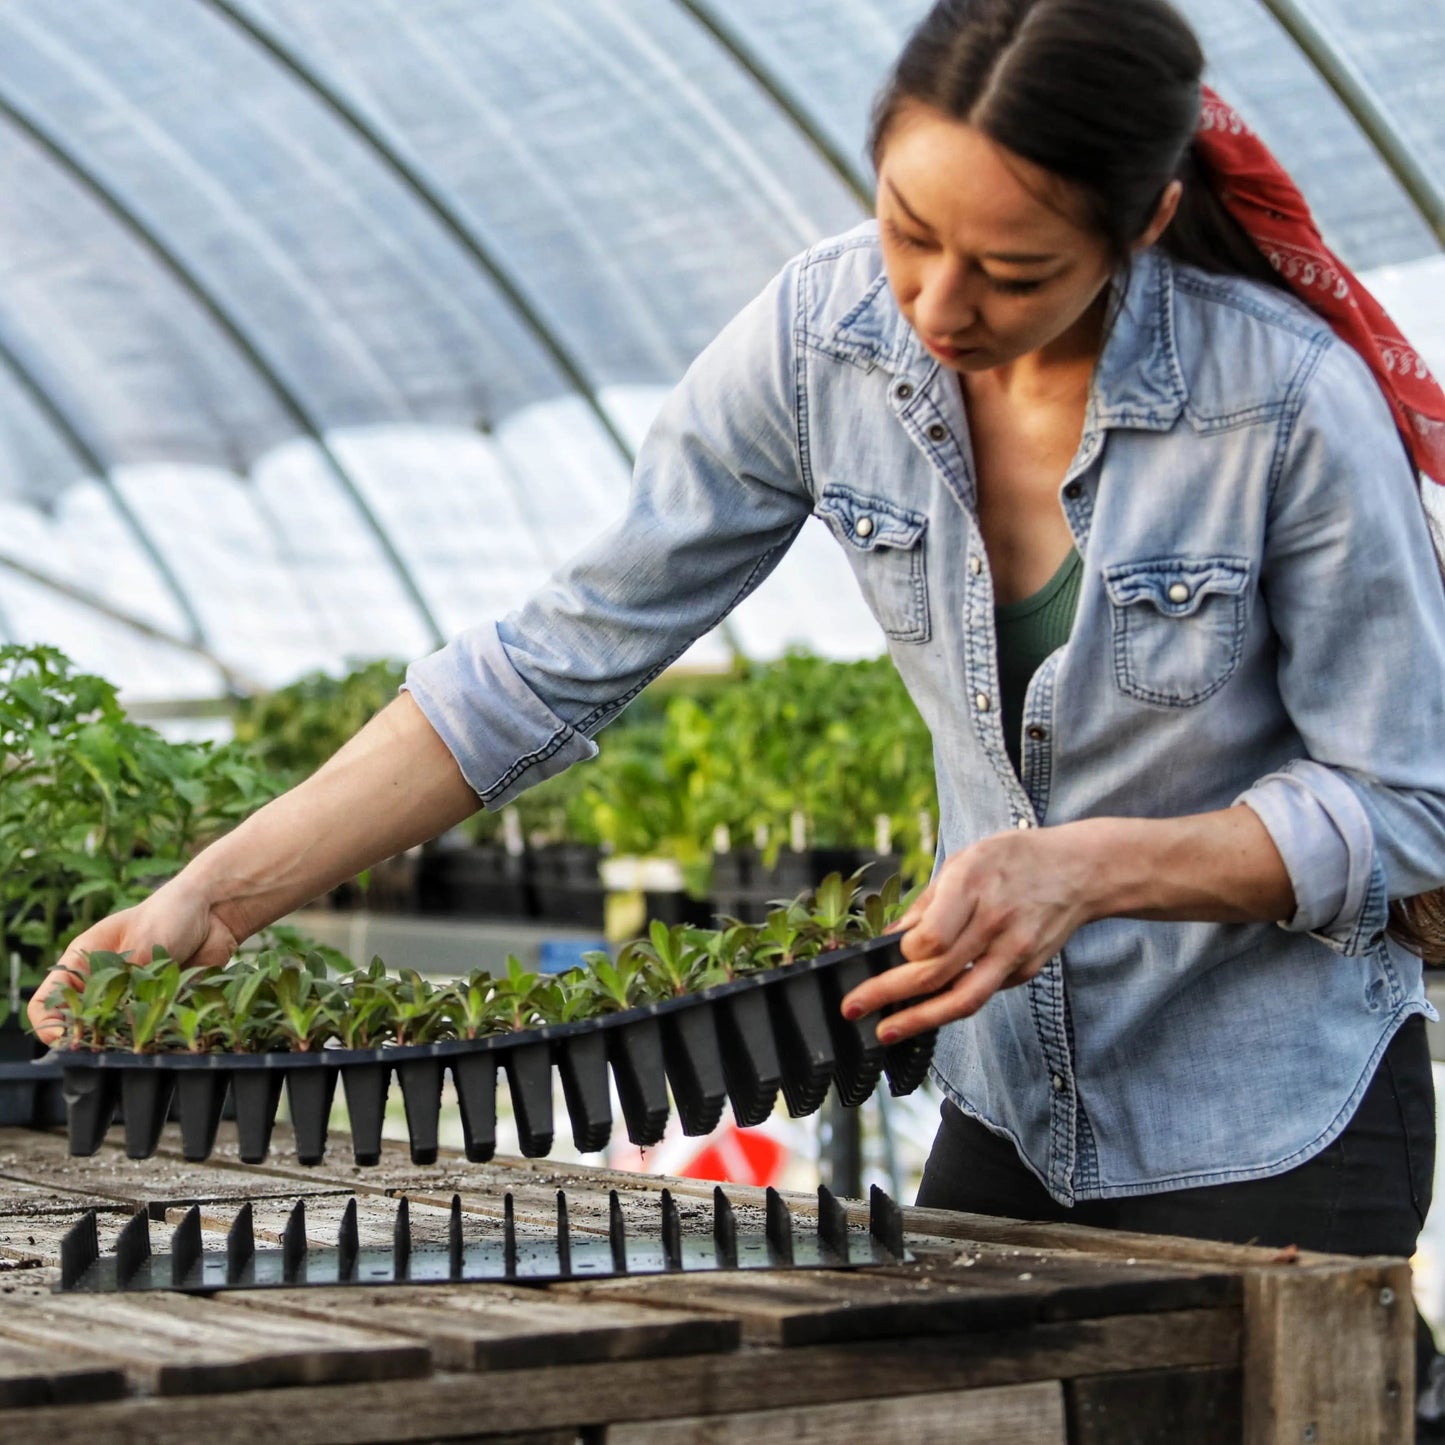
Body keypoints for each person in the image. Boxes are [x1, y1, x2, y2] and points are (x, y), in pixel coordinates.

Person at [29, 0, 1445, 1346]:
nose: (938, 304)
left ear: (1137, 226)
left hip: (1269, 1117)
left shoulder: (1282, 406)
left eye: (1011, 272)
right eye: (908, 232)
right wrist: (213, 898)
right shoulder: (822, 340)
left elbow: (1405, 803)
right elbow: (544, 667)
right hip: (1009, 1093)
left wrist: (1086, 866)